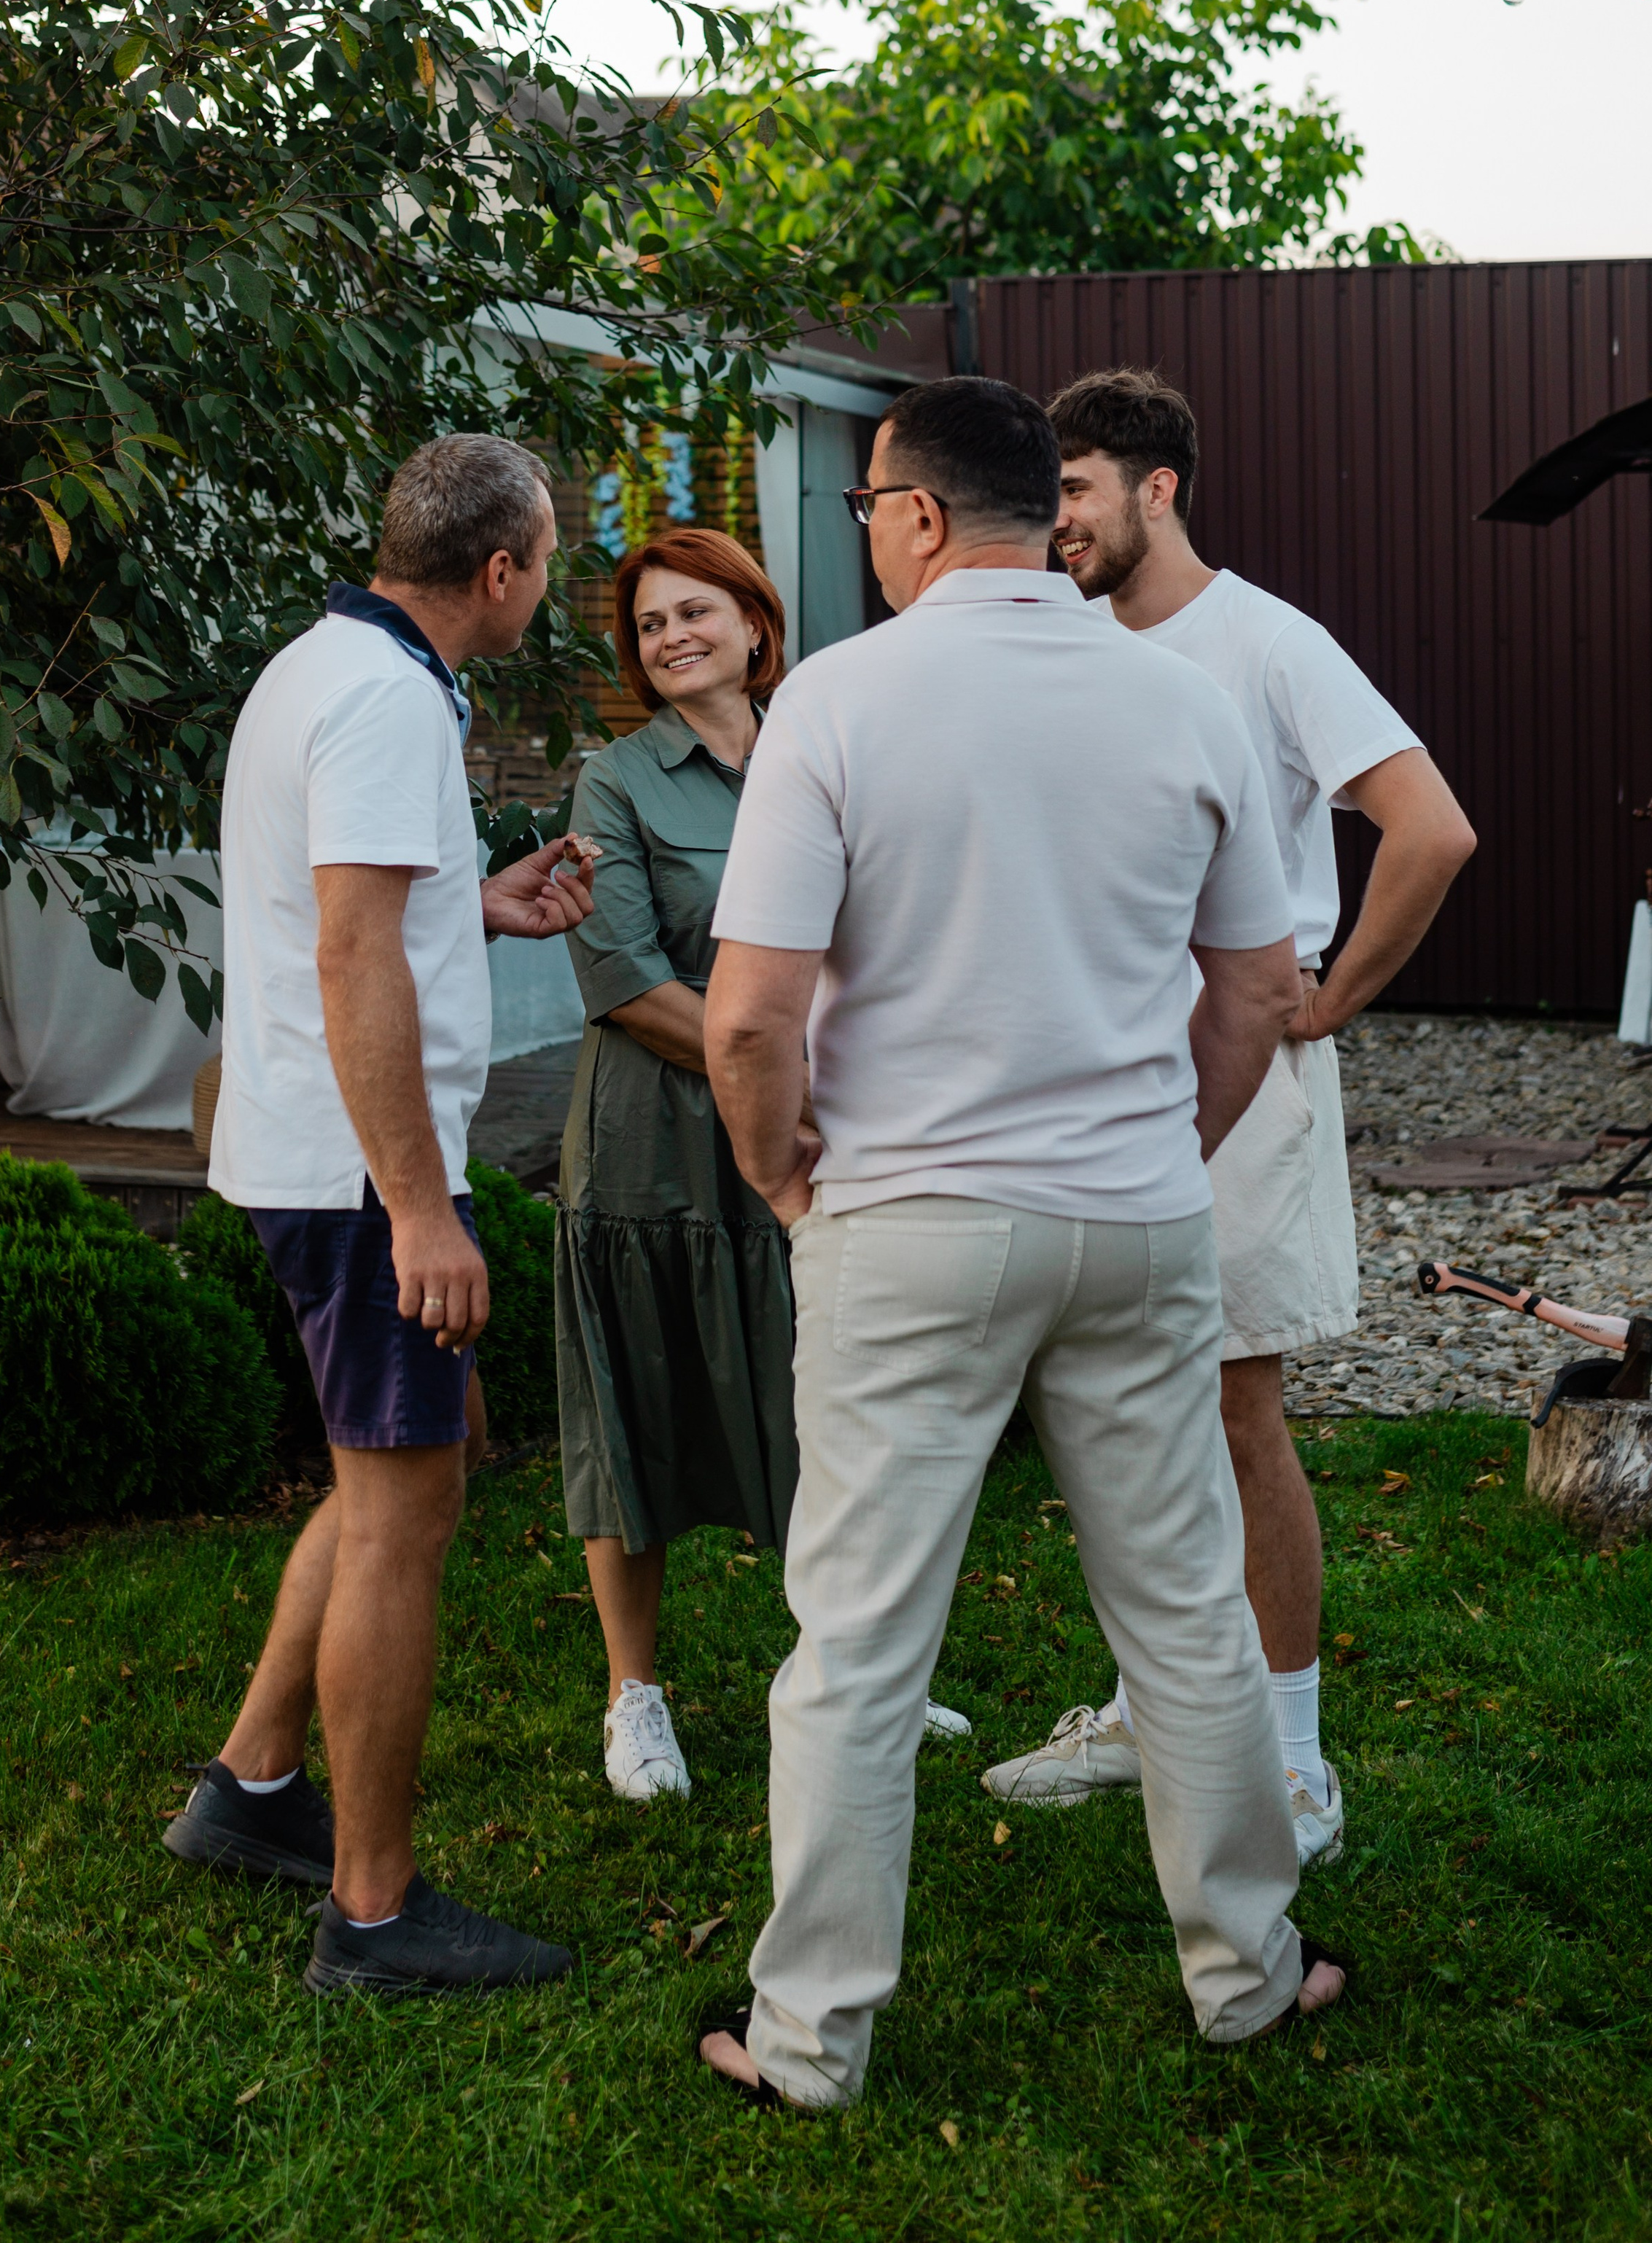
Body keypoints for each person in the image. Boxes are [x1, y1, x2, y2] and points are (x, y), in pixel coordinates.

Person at [697, 378, 1343, 2115]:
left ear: (908, 515)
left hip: (904, 1224)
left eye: (861, 515)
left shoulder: (832, 704)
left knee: (855, 1641)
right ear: (1027, 513)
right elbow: (1259, 993)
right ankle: (1246, 1976)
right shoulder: (1175, 699)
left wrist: (777, 1177)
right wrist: (1164, 1152)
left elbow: (750, 1020)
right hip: (1134, 1220)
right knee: (1186, 1619)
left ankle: (812, 2040)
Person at [988, 368, 1475, 1864]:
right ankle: (1150, 1712)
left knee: (1234, 1406)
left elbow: (1429, 826)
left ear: (1156, 489)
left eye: (1072, 488)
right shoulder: (1052, 642)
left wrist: (1325, 1003)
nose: (1052, 519)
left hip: (1241, 1052)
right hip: (1091, 1065)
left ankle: (1289, 1754)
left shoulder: (1266, 643)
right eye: (1043, 490)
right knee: (1116, 1408)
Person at [164, 434, 596, 1999]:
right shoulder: (387, 698)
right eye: (546, 562)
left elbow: (352, 913)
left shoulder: (324, 665)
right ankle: (372, 1911)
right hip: (358, 1178)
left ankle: (253, 1789)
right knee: (409, 1512)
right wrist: (423, 1209)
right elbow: (351, 959)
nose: (544, 590)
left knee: (377, 1482)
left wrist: (471, 903)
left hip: (320, 1155)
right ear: (498, 569)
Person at [556, 528, 970, 1803]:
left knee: (836, 1412)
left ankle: (856, 1672)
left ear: (754, 622)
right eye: (648, 625)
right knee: (634, 1425)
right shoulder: (617, 783)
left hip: (809, 1144)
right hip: (656, 1157)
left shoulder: (827, 742)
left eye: (695, 611)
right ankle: (636, 1698)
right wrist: (782, 1069)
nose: (671, 636)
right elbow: (625, 978)